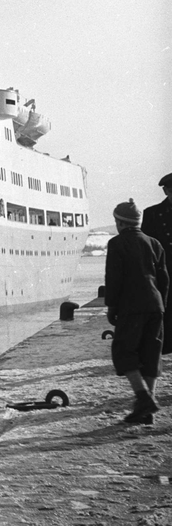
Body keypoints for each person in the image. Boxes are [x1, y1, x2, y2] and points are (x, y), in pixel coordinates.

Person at [105, 198, 169, 425]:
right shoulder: (155, 243)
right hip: (156, 305)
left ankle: (143, 398)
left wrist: (112, 306)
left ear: (121, 222)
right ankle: (147, 411)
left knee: (124, 351)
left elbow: (114, 279)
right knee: (151, 354)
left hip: (131, 307)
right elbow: (164, 279)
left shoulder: (117, 244)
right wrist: (162, 305)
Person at [141, 173, 172, 354]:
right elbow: (148, 247)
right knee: (165, 308)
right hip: (164, 269)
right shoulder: (152, 214)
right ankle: (165, 345)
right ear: (166, 191)